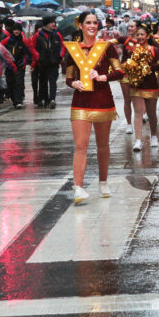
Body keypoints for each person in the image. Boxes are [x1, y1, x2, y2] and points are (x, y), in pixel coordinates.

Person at [65, 12, 122, 204]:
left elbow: (119, 72)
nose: (92, 25)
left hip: (102, 99)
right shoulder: (73, 49)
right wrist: (74, 84)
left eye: (95, 22)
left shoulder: (107, 47)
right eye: (88, 22)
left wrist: (102, 77)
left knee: (103, 145)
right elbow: (68, 77)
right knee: (80, 145)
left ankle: (103, 182)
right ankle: (78, 187)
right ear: (80, 26)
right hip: (80, 101)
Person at [125, 24, 159, 151]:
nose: (140, 37)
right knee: (137, 113)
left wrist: (148, 66)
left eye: (142, 34)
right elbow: (125, 63)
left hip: (151, 84)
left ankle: (154, 136)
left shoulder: (154, 50)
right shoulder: (132, 50)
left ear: (147, 36)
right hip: (136, 84)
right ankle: (138, 140)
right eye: (138, 35)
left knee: (151, 113)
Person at [33, 15, 63, 109]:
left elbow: (63, 46)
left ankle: (52, 99)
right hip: (42, 63)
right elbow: (32, 47)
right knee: (43, 82)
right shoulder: (38, 35)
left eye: (54, 22)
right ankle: (46, 99)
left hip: (54, 62)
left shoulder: (57, 34)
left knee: (53, 81)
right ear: (46, 24)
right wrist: (38, 57)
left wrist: (60, 56)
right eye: (51, 22)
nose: (54, 24)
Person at [117, 18, 139, 133]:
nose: (130, 28)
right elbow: (110, 43)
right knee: (127, 99)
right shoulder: (124, 39)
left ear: (137, 28)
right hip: (125, 73)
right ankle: (129, 124)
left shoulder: (144, 41)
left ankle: (140, 118)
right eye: (129, 27)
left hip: (139, 74)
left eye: (132, 26)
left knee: (139, 99)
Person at [1, 23, 29, 109]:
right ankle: (14, 100)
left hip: (20, 65)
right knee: (10, 83)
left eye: (18, 30)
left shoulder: (24, 41)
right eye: (15, 30)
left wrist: (23, 63)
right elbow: (1, 50)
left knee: (19, 83)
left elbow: (27, 53)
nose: (16, 31)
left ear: (21, 31)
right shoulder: (6, 40)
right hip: (9, 66)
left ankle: (18, 101)